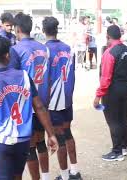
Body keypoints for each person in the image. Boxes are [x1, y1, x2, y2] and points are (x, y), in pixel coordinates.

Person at [0, 35, 58, 180]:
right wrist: (51, 134)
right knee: (17, 176)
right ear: (8, 55)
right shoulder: (25, 77)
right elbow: (39, 107)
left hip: (0, 143)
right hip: (23, 141)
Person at [8, 13, 52, 180]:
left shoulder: (16, 49)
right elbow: (48, 76)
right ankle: (46, 177)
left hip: (27, 104)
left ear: (17, 29)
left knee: (30, 146)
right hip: (43, 101)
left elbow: (13, 78)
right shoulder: (43, 47)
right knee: (41, 142)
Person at [43, 16, 82, 180]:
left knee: (59, 137)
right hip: (67, 97)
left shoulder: (44, 50)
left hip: (53, 100)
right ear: (57, 29)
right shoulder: (68, 48)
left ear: (43, 31)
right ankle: (74, 171)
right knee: (68, 133)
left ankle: (65, 176)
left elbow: (45, 78)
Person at [93, 25, 127, 161]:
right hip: (125, 88)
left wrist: (98, 96)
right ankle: (123, 147)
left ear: (108, 37)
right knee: (122, 118)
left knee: (113, 120)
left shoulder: (110, 53)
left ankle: (116, 151)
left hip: (112, 89)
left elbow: (105, 77)